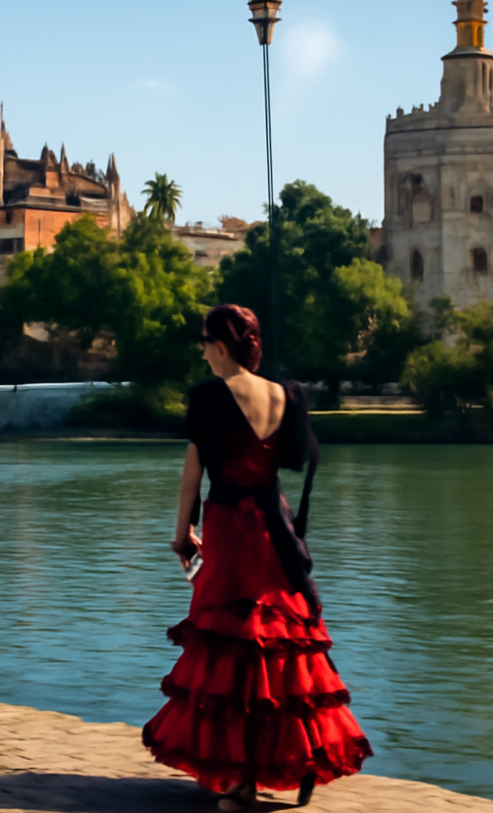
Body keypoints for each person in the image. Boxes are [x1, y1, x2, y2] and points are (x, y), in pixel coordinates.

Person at [142, 304, 371, 810]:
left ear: (221, 346)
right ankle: (307, 755)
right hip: (273, 527)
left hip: (227, 530)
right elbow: (290, 461)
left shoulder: (207, 398)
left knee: (235, 651)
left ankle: (242, 783)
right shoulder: (285, 396)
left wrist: (183, 537)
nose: (201, 352)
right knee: (284, 641)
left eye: (204, 342)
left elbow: (191, 478)